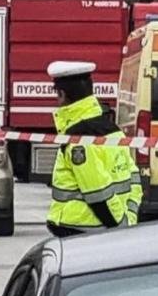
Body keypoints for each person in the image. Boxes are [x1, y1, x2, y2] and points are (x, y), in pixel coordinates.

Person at [46, 61, 141, 238]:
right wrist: (129, 218)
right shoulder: (114, 130)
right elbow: (134, 179)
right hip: (109, 230)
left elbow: (97, 193)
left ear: (62, 94)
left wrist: (120, 227)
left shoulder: (78, 139)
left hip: (81, 231)